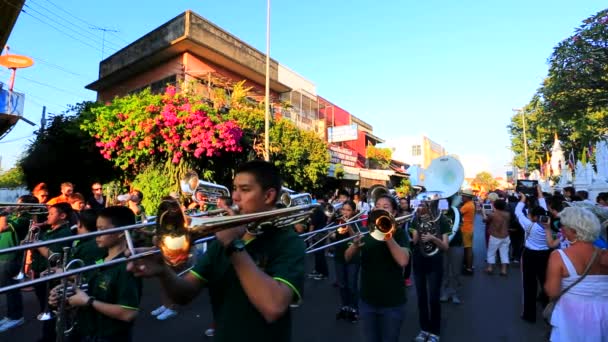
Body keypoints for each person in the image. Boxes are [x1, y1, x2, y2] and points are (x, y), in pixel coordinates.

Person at [127, 160, 306, 342]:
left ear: (268, 196)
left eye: (244, 190)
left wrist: (233, 245)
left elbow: (273, 308)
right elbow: (184, 294)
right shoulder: (222, 241)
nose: (235, 196)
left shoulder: (288, 241)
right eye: (234, 188)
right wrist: (163, 271)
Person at [49, 206, 143, 342]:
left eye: (102, 230)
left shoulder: (128, 266)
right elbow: (90, 288)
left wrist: (88, 302)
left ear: (121, 232)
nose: (96, 234)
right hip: (87, 331)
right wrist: (65, 295)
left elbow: (128, 313)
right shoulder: (99, 260)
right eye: (96, 229)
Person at [345, 195, 409, 342]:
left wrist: (387, 234)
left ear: (394, 213)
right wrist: (354, 246)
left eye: (386, 207)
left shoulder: (399, 234)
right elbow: (347, 257)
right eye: (378, 205)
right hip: (367, 301)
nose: (380, 209)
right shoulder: (364, 231)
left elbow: (403, 261)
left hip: (393, 303)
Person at [544, 206, 608, 342]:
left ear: (572, 231)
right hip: (603, 313)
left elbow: (552, 292)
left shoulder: (559, 256)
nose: (562, 230)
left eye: (563, 227)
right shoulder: (605, 255)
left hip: (571, 314)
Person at [411, 201, 451, 342]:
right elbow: (414, 241)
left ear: (431, 206)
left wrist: (433, 238)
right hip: (419, 261)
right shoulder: (415, 219)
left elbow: (445, 247)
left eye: (423, 205)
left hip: (435, 262)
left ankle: (435, 332)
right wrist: (415, 229)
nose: (420, 208)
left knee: (434, 299)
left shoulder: (443, 220)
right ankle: (424, 329)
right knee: (421, 298)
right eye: (419, 205)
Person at [514, 191, 552, 323]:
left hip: (530, 255)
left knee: (529, 286)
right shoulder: (548, 222)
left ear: (534, 217)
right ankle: (549, 314)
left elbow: (518, 212)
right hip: (546, 255)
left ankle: (529, 315)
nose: (528, 216)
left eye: (530, 214)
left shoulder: (529, 225)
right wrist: (540, 192)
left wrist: (523, 199)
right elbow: (544, 206)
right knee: (546, 284)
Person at [330, 200, 361, 322]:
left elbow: (356, 239)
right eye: (343, 209)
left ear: (353, 211)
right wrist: (332, 230)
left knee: (351, 285)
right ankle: (345, 307)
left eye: (348, 210)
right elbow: (332, 235)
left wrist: (348, 225)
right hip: (339, 256)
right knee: (342, 285)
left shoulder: (357, 222)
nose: (345, 212)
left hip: (353, 258)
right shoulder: (338, 221)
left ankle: (354, 309)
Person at [482, 199, 511, 276]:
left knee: (491, 252)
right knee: (504, 253)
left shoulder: (493, 214)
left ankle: (490, 268)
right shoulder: (507, 214)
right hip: (506, 236)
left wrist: (484, 213)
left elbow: (485, 220)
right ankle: (503, 270)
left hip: (495, 236)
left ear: (495, 206)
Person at [459, 189, 476, 275]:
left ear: (467, 197)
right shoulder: (470, 204)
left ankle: (469, 268)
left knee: (468, 249)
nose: (461, 197)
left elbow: (458, 214)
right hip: (468, 229)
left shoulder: (467, 206)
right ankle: (469, 266)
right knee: (468, 248)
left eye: (463, 196)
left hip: (465, 229)